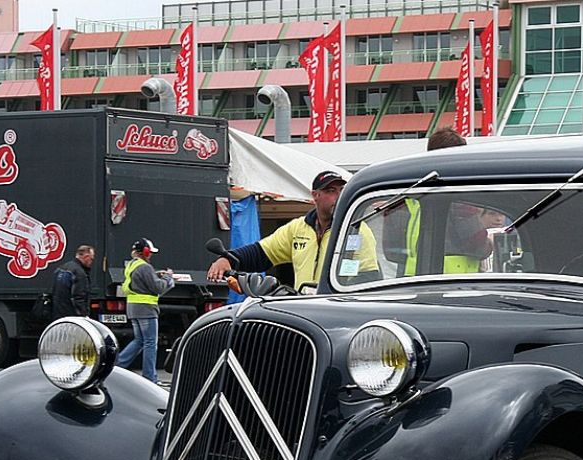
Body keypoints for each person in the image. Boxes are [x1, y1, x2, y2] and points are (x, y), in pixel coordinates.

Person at [208, 170, 378, 290]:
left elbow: (369, 278)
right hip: (302, 309)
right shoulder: (297, 228)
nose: (338, 196)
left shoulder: (356, 229)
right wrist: (228, 259)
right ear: (315, 195)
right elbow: (261, 253)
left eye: (342, 190)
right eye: (331, 191)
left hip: (336, 309)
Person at [381, 128, 496, 277]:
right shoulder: (460, 199)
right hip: (455, 283)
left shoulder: (402, 199)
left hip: (409, 281)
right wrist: (491, 243)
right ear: (459, 157)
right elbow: (478, 246)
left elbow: (391, 252)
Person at [116, 238, 174, 383]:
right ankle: (150, 377)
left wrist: (156, 275)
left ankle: (117, 366)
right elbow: (158, 288)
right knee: (150, 343)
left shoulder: (132, 264)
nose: (151, 255)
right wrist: (168, 278)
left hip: (133, 308)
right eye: (150, 252)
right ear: (145, 252)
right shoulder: (145, 267)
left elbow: (142, 281)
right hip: (146, 309)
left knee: (139, 340)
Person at [51, 245, 94, 320]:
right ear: (86, 257)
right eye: (91, 259)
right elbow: (79, 297)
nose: (91, 262)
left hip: (59, 315)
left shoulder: (61, 268)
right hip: (72, 316)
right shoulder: (79, 273)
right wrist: (83, 315)